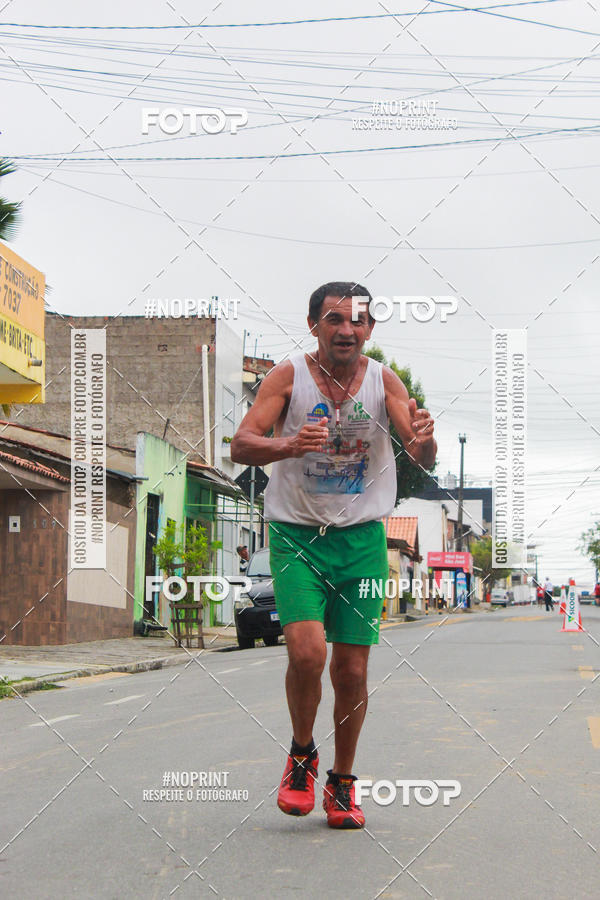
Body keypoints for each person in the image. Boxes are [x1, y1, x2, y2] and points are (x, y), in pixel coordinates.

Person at [231, 282, 437, 829]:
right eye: (334, 319)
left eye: (358, 321)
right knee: (305, 654)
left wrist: (425, 437)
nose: (346, 329)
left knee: (351, 670)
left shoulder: (383, 382)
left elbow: (419, 451)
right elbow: (242, 443)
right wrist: (289, 445)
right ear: (313, 324)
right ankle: (302, 755)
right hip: (298, 535)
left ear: (370, 329)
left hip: (363, 541)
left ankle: (343, 782)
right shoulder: (287, 376)